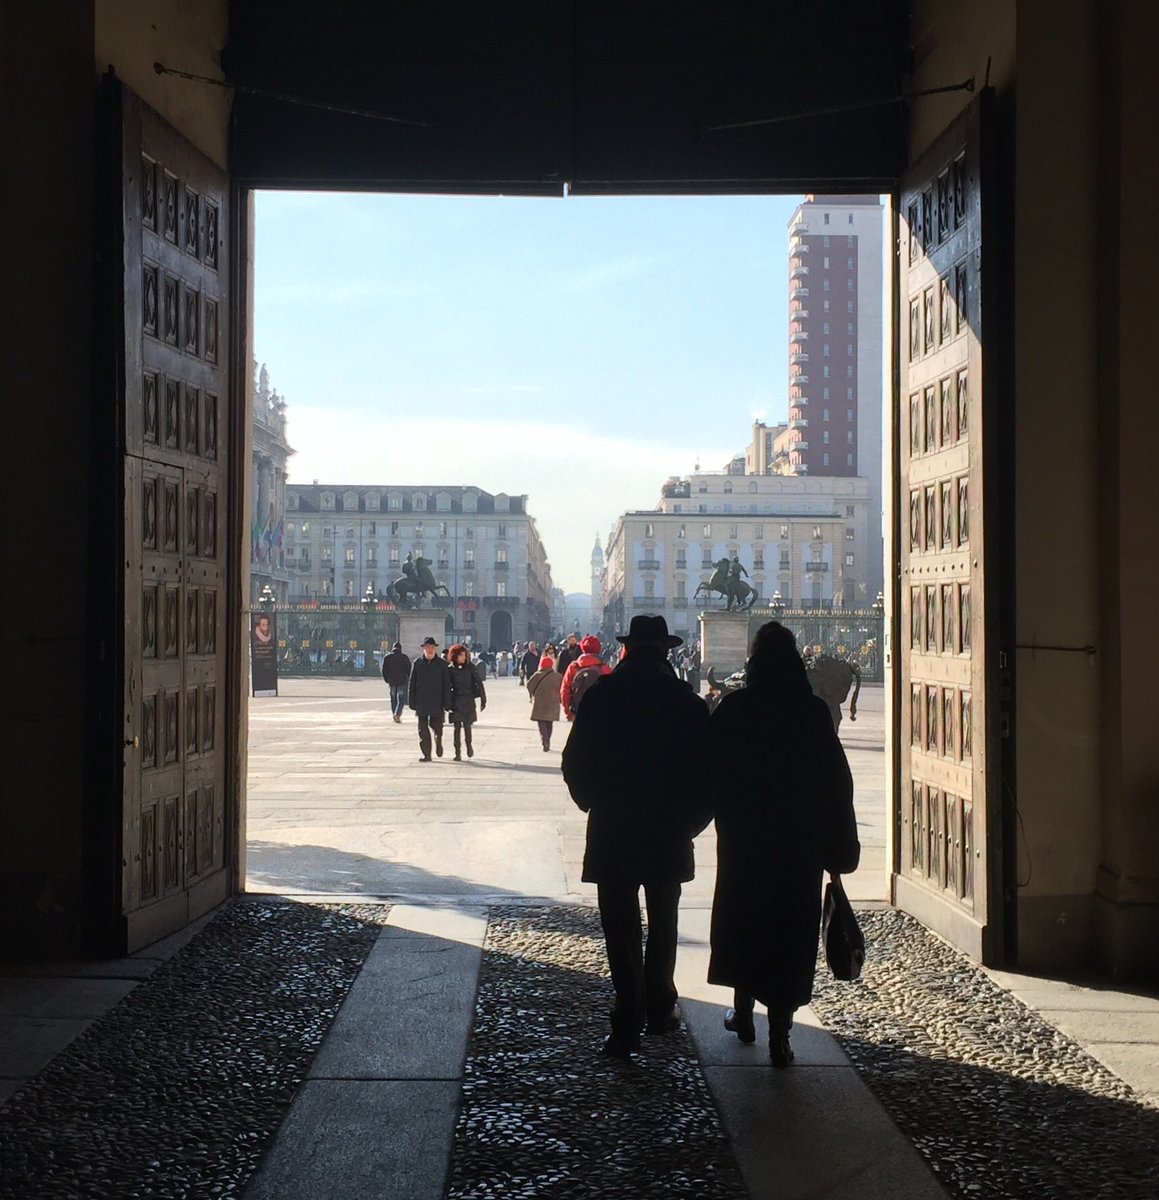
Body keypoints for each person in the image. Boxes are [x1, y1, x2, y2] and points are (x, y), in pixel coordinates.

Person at [707, 621, 860, 1067]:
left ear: (754, 662)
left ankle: (743, 1013)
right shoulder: (812, 712)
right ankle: (780, 1032)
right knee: (789, 932)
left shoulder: (735, 709)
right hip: (798, 845)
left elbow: (709, 770)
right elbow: (838, 782)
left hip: (745, 842)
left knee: (744, 921)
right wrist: (839, 845)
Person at [561, 614, 711, 1059]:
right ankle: (660, 1007)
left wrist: (593, 803)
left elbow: (574, 762)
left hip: (613, 827)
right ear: (665, 651)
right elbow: (708, 775)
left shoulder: (603, 697)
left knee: (620, 926)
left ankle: (626, 1021)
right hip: (667, 828)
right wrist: (691, 823)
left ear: (625, 650)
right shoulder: (686, 702)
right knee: (663, 922)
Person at [408, 636, 452, 762]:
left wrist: (447, 703)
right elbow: (412, 683)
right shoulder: (418, 663)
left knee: (437, 725)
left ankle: (438, 741)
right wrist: (411, 701)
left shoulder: (442, 665)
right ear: (424, 649)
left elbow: (447, 685)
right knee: (422, 728)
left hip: (437, 700)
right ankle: (426, 753)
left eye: (432, 647)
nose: (430, 649)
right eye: (428, 647)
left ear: (435, 649)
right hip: (421, 700)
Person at [446, 643, 486, 760]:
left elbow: (478, 682)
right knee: (456, 728)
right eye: (461, 655)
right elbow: (446, 687)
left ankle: (469, 745)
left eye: (464, 655)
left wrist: (483, 699)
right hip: (456, 701)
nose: (463, 657)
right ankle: (457, 752)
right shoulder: (450, 670)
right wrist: (446, 702)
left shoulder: (470, 667)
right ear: (455, 656)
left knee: (467, 726)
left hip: (468, 700)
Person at [560, 634, 612, 721]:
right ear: (599, 649)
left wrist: (568, 713)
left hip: (578, 710)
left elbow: (564, 690)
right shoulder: (604, 668)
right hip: (600, 712)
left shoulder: (574, 667)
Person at [526, 653, 561, 751]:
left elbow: (529, 685)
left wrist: (532, 693)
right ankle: (548, 739)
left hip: (540, 702)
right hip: (553, 702)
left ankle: (544, 739)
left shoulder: (537, 675)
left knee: (541, 722)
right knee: (550, 722)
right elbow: (562, 688)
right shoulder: (558, 676)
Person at [381, 640, 411, 723]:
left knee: (393, 699)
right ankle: (397, 714)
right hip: (402, 681)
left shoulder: (387, 658)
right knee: (401, 699)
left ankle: (394, 713)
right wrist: (409, 679)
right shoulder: (404, 657)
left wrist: (386, 679)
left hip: (392, 682)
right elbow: (409, 670)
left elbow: (384, 670)